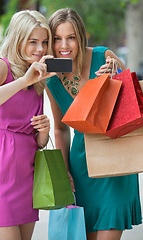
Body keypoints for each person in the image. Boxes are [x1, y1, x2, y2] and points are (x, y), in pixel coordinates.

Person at [46, 8, 142, 240]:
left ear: (81, 37)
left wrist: (114, 76)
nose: (64, 46)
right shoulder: (51, 76)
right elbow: (60, 128)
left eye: (71, 37)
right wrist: (65, 171)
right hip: (82, 168)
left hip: (116, 161)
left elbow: (133, 97)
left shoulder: (102, 55)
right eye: (57, 38)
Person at [0, 10, 55, 240]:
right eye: (32, 42)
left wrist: (44, 130)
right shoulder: (0, 66)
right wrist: (24, 80)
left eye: (44, 42)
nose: (40, 49)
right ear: (17, 39)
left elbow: (38, 142)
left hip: (25, 175)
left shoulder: (36, 79)